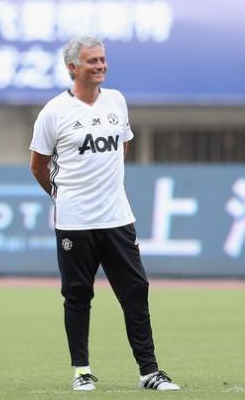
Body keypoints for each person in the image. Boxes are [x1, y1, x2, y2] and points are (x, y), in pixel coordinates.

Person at [29, 36, 180, 391]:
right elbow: (38, 165)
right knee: (78, 295)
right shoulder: (53, 112)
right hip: (74, 221)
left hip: (117, 218)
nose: (100, 66)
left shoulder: (117, 101)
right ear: (72, 68)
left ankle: (149, 372)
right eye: (92, 61)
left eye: (102, 59)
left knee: (135, 291)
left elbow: (121, 145)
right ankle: (82, 371)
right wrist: (61, 195)